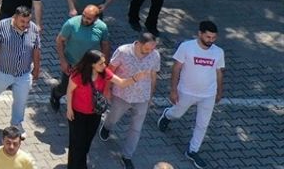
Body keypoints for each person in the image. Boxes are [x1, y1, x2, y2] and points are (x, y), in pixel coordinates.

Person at [157, 20, 225, 169]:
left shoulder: (218, 52)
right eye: (208, 37)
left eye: (213, 38)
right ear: (199, 34)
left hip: (208, 95)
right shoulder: (187, 47)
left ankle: (192, 151)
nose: (211, 41)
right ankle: (167, 115)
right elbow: (176, 69)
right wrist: (173, 90)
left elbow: (219, 72)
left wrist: (219, 91)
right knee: (177, 114)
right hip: (186, 92)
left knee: (202, 124)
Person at [65, 49, 149, 169]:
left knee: (86, 142)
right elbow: (70, 91)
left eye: (104, 62)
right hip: (77, 114)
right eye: (101, 63)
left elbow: (121, 83)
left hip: (95, 114)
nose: (104, 65)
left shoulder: (104, 72)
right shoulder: (78, 75)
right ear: (91, 64)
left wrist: (135, 78)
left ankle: (80, 163)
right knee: (76, 143)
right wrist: (69, 109)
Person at [100, 33, 161, 169]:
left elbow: (153, 75)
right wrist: (107, 89)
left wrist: (150, 95)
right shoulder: (123, 52)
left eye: (152, 49)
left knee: (136, 128)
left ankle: (127, 155)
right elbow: (110, 70)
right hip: (122, 94)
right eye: (147, 49)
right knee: (114, 117)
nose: (149, 52)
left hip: (142, 97)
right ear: (138, 43)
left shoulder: (155, 55)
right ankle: (107, 126)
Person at [0, 6, 41, 137]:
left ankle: (16, 124)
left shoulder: (33, 29)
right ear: (15, 18)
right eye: (22, 22)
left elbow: (36, 50)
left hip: (24, 73)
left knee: (21, 99)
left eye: (27, 22)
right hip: (4, 71)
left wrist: (37, 68)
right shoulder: (1, 27)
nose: (25, 25)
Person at [51, 4, 111, 110]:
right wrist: (63, 61)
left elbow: (105, 45)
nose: (84, 19)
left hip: (91, 66)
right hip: (72, 64)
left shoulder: (102, 27)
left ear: (96, 18)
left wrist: (105, 63)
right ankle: (55, 94)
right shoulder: (71, 24)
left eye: (89, 18)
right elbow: (59, 41)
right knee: (65, 88)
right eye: (83, 15)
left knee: (86, 88)